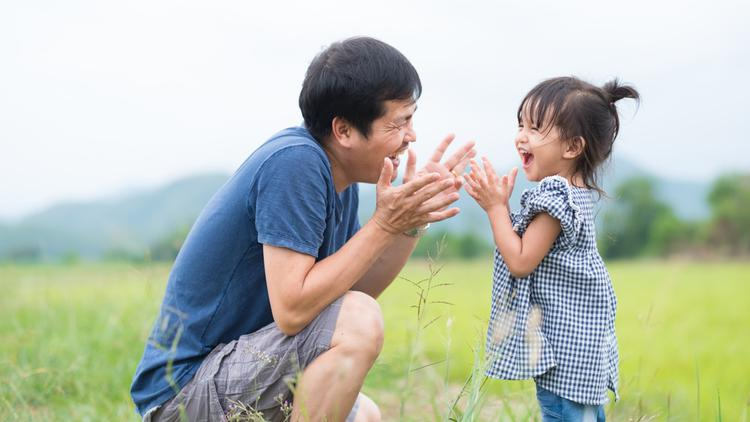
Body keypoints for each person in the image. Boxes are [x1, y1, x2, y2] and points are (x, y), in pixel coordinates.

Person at [129, 36, 475, 422]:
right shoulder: (296, 163)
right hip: (185, 394)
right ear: (343, 130)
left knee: (366, 415)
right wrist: (383, 224)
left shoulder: (338, 178)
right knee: (360, 321)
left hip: (238, 372)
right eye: (399, 123)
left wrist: (409, 224)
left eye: (411, 119)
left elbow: (346, 296)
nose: (411, 136)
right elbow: (295, 311)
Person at [463, 76, 639, 421]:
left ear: (573, 147)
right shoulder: (578, 193)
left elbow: (520, 260)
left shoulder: (556, 196)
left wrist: (496, 208)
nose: (521, 136)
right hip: (581, 349)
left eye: (536, 127)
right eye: (521, 124)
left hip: (566, 352)